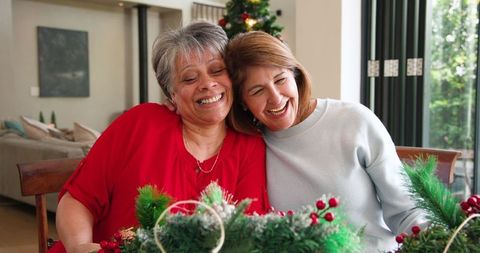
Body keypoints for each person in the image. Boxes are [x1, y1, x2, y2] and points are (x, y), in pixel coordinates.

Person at [52, 22, 270, 253]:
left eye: (217, 71)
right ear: (171, 95)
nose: (207, 84)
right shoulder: (140, 123)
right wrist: (80, 247)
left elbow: (247, 233)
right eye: (189, 79)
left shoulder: (250, 144)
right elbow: (79, 200)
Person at [224, 31, 426, 252]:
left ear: (295, 75)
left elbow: (407, 212)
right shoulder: (250, 148)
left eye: (280, 79)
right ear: (243, 102)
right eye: (257, 90)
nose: (275, 97)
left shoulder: (354, 120)